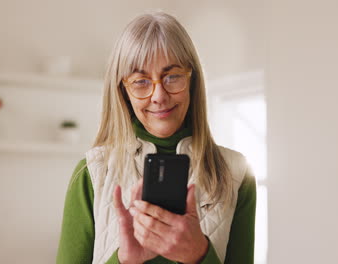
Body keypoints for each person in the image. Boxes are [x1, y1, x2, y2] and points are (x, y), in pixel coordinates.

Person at [56, 11, 257, 264]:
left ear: (192, 79)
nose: (159, 96)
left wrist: (199, 255)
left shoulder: (236, 173)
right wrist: (125, 260)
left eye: (172, 77)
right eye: (141, 81)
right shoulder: (91, 173)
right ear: (123, 91)